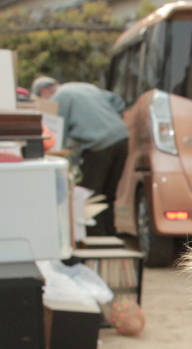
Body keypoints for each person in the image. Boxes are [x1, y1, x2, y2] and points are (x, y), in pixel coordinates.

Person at [31, 76, 129, 236]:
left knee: (90, 196)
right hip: (122, 137)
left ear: (43, 92)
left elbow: (57, 132)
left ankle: (96, 239)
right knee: (109, 194)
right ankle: (111, 233)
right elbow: (118, 102)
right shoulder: (84, 86)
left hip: (99, 144)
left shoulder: (58, 98)